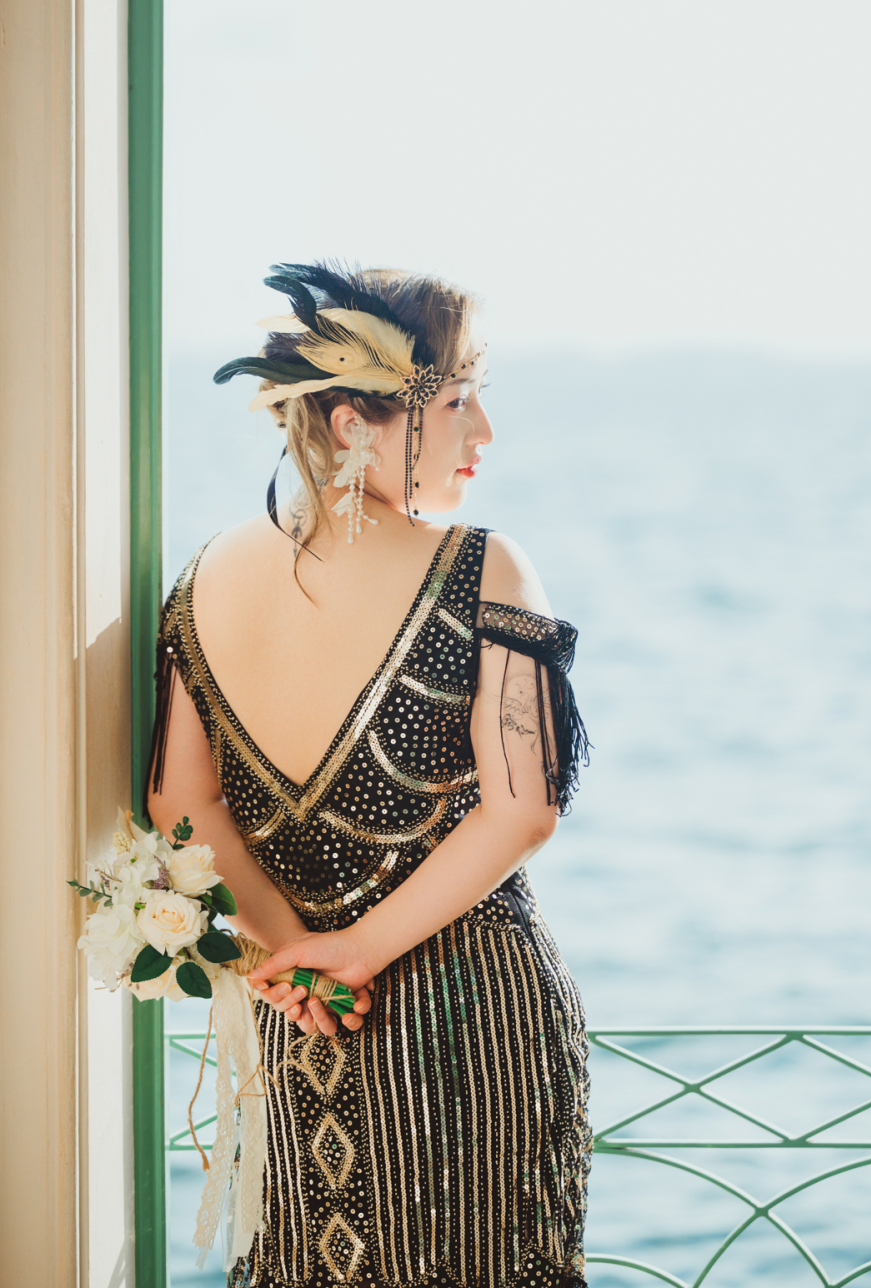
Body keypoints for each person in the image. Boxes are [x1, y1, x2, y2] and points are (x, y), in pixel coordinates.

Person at [146, 262, 591, 1288]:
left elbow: (181, 805)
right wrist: (356, 951)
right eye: (459, 399)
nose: (484, 433)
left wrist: (297, 953)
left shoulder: (200, 577)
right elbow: (524, 811)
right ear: (351, 422)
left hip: (294, 1013)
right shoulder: (485, 565)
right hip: (467, 1006)